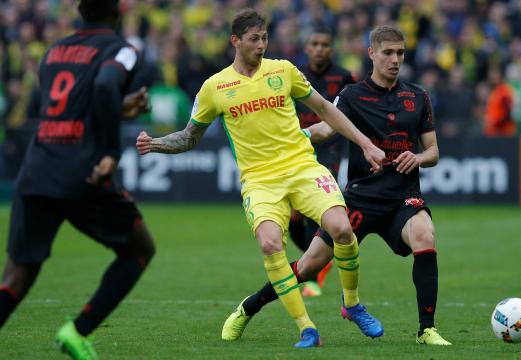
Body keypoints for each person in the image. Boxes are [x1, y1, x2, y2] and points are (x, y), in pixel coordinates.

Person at [135, 9, 385, 348]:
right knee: (270, 244)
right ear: (235, 41)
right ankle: (305, 328)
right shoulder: (215, 87)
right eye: (254, 39)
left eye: (265, 38)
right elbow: (190, 136)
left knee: (342, 228)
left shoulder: (283, 71)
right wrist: (156, 144)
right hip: (260, 181)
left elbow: (326, 109)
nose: (262, 45)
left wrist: (366, 144)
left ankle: (352, 304)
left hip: (301, 166)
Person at [221, 25, 452, 346]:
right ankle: (248, 308)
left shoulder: (417, 97)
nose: (395, 59)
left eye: (400, 53)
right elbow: (324, 130)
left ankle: (426, 330)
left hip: (403, 198)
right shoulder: (353, 95)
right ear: (372, 54)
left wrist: (418, 157)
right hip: (359, 198)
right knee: (308, 266)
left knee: (425, 235)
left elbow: (433, 152)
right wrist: (289, 140)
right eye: (387, 52)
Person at [0, 1, 155, 359]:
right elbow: (103, 85)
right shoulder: (124, 50)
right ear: (117, 13)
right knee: (140, 250)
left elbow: (73, 105)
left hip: (37, 168)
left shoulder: (54, 52)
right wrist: (110, 153)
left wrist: (118, 105)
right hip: (82, 172)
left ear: (80, 12)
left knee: (15, 279)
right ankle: (77, 331)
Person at [290, 27, 355, 297]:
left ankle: (314, 272)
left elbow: (348, 111)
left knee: (318, 211)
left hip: (330, 148)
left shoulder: (343, 77)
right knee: (293, 217)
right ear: (307, 48)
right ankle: (316, 262)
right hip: (298, 147)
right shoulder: (293, 74)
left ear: (331, 48)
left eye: (324, 44)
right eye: (314, 43)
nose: (319, 49)